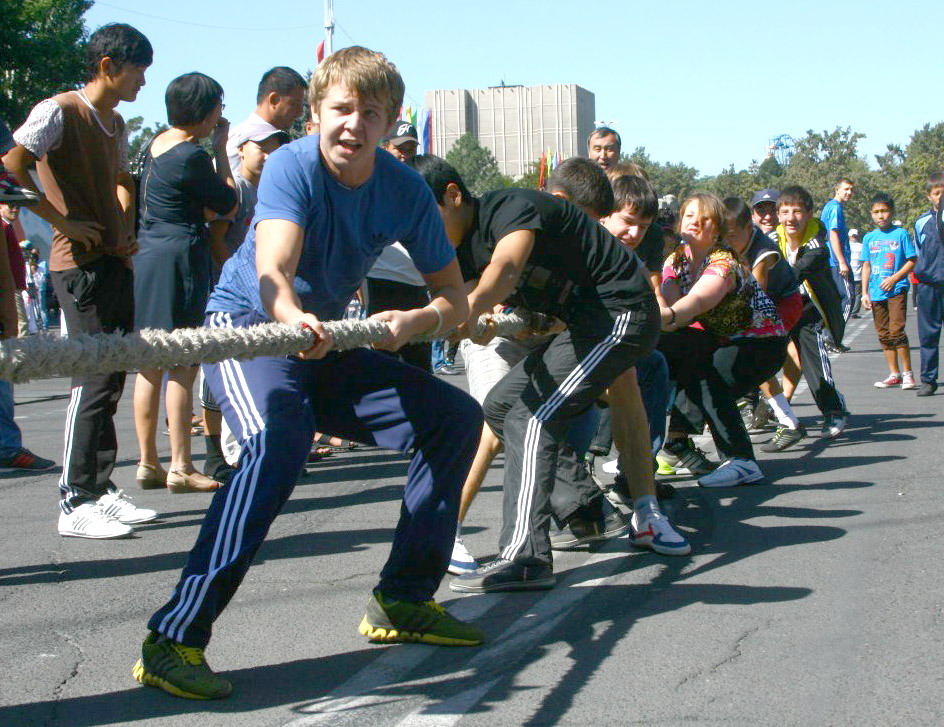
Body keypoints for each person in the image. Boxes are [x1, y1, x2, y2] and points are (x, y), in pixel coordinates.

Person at [134, 46, 485, 701]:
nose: (353, 124)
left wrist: (414, 323)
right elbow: (274, 271)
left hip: (324, 340)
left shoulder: (405, 188)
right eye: (341, 108)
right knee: (280, 441)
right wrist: (293, 315)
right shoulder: (292, 166)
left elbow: (455, 301)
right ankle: (173, 636)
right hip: (252, 326)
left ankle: (403, 599)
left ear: (390, 123)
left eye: (370, 112)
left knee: (455, 417)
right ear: (316, 114)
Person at [413, 155, 662, 593]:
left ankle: (525, 558)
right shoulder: (462, 251)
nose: (419, 231)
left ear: (453, 196)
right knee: (500, 406)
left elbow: (505, 270)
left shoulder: (511, 205)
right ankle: (587, 509)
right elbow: (455, 299)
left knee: (530, 417)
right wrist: (415, 323)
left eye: (422, 216)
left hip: (620, 312)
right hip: (582, 325)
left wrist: (469, 310)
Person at [3, 23, 157, 538]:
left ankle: (101, 487)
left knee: (113, 376)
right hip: (77, 266)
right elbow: (11, 166)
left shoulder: (115, 122)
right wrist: (61, 221)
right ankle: (74, 500)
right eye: (137, 70)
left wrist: (124, 218)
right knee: (91, 379)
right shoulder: (58, 110)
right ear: (108, 65)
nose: (142, 82)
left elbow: (117, 178)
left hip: (115, 260)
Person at [132, 73, 239, 494]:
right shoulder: (191, 156)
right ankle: (180, 464)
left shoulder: (153, 146)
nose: (219, 117)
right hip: (182, 256)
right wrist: (221, 152)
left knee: (149, 362)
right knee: (183, 361)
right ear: (204, 110)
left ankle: (147, 461)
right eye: (217, 108)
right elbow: (229, 200)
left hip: (149, 254)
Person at [657, 194, 788, 487]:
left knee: (709, 376)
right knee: (680, 357)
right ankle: (674, 444)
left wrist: (660, 319)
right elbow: (672, 308)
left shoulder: (723, 262)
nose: (695, 222)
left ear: (717, 228)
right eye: (689, 216)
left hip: (762, 343)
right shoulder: (675, 261)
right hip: (722, 339)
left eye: (704, 218)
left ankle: (742, 461)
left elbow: (696, 302)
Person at [722, 198, 805, 452]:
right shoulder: (734, 242)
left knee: (755, 353)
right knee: (761, 357)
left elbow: (755, 294)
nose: (727, 242)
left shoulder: (763, 250)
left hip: (784, 302)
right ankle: (782, 416)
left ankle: (787, 420)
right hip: (767, 304)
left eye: (732, 236)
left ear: (749, 227)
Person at [770, 186, 848, 438]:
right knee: (758, 353)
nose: (791, 218)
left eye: (797, 211)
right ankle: (758, 407)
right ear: (778, 215)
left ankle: (833, 411)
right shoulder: (772, 239)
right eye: (785, 212)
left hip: (809, 308)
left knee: (813, 359)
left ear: (810, 213)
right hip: (780, 305)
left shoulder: (817, 245)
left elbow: (792, 275)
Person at [364, 121, 431, 372]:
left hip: (417, 286)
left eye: (411, 149)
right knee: (384, 361)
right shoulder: (371, 181)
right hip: (382, 282)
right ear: (384, 147)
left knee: (421, 365)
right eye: (399, 148)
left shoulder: (420, 185)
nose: (405, 154)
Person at [0, 211, 54, 471]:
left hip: (11, 298)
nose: (14, 208)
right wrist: (9, 318)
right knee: (3, 378)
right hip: (7, 302)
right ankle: (7, 448)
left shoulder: (6, 226)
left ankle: (7, 447)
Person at [860, 193, 917, 389]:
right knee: (883, 334)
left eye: (884, 211)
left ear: (891, 212)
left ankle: (908, 373)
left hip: (896, 289)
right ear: (871, 214)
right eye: (876, 212)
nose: (881, 215)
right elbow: (866, 265)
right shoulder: (869, 238)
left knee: (896, 331)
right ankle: (894, 373)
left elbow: (912, 260)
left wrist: (894, 278)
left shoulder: (900, 234)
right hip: (876, 292)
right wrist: (864, 292)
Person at [225, 66, 306, 175]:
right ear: (274, 100)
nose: (300, 112)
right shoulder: (241, 138)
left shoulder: (280, 139)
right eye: (294, 104)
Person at [913, 172, 944, 397]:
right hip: (929, 286)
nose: (940, 197)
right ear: (929, 196)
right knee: (928, 335)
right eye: (937, 193)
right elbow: (918, 253)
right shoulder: (921, 222)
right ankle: (928, 379)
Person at [820, 178, 855, 326]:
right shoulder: (835, 208)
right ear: (837, 189)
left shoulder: (829, 206)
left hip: (829, 261)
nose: (849, 192)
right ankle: (833, 334)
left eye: (851, 190)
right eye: (846, 189)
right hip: (835, 261)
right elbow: (833, 234)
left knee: (833, 301)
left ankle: (829, 335)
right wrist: (841, 261)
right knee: (848, 298)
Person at [849, 228, 863, 318]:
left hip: (850, 273)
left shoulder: (846, 246)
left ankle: (850, 311)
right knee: (857, 294)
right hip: (857, 274)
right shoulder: (861, 246)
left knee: (851, 293)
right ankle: (853, 312)